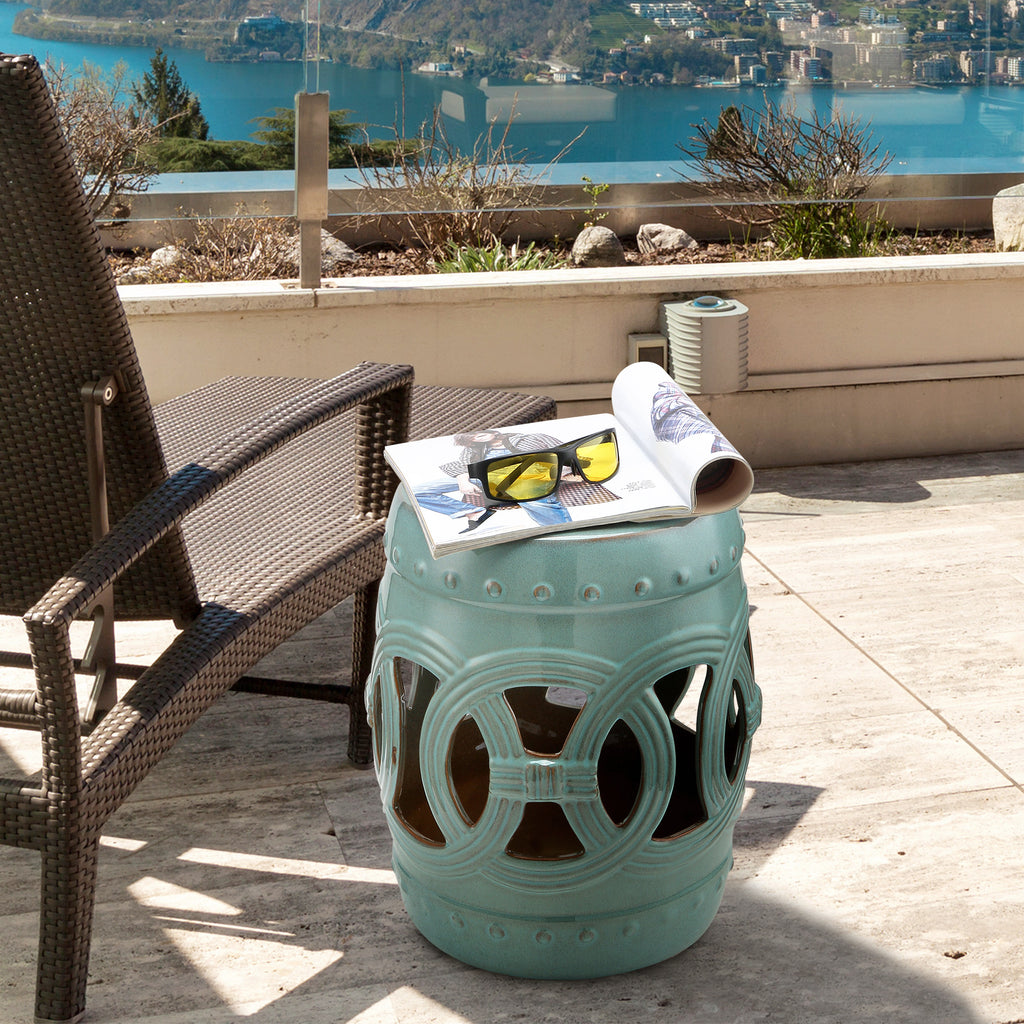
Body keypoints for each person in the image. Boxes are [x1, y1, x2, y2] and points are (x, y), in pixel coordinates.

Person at [414, 429, 573, 530]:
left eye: (479, 432)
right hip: (485, 477)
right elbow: (462, 465)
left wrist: (561, 472)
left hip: (525, 478)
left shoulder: (529, 438)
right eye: (472, 436)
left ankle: (564, 533)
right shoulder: (474, 450)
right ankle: (474, 512)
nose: (477, 435)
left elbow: (565, 452)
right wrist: (463, 481)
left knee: (534, 502)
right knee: (418, 492)